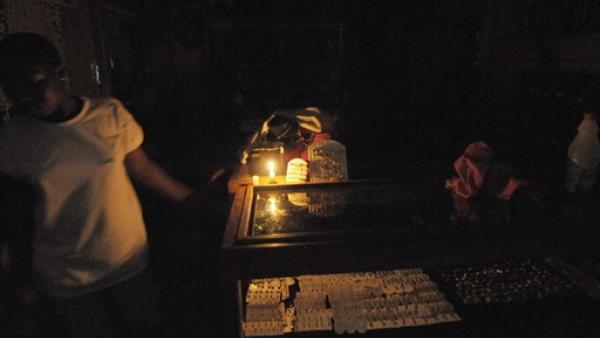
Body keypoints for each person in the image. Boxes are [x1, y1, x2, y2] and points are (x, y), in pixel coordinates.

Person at [0, 32, 206, 337]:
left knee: (149, 328)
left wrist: (190, 199)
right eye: (12, 89)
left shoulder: (108, 115)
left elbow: (143, 169)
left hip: (124, 259)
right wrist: (16, 277)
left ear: (62, 76)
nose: (24, 96)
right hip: (64, 275)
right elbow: (12, 210)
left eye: (34, 83)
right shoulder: (13, 139)